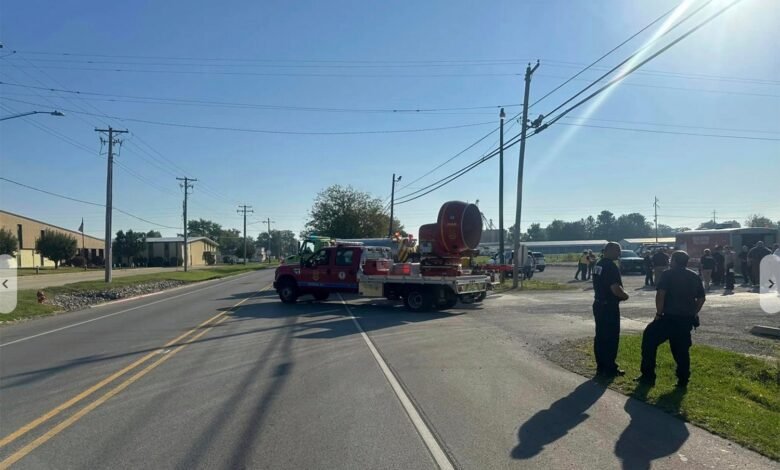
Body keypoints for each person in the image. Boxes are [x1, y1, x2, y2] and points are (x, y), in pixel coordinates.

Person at [636, 251, 705, 388]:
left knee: (649, 341)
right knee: (681, 350)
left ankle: (648, 376)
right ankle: (683, 380)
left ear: (674, 261)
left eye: (671, 259)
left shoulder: (667, 274)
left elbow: (661, 294)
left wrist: (659, 314)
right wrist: (693, 312)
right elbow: (701, 299)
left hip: (668, 318)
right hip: (685, 320)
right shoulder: (694, 275)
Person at [592, 242, 629, 378]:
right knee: (611, 337)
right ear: (610, 250)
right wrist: (625, 296)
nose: (619, 253)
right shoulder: (610, 266)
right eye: (617, 250)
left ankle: (601, 366)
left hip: (598, 304)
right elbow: (615, 288)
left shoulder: (599, 264)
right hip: (609, 306)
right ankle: (610, 367)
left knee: (600, 336)